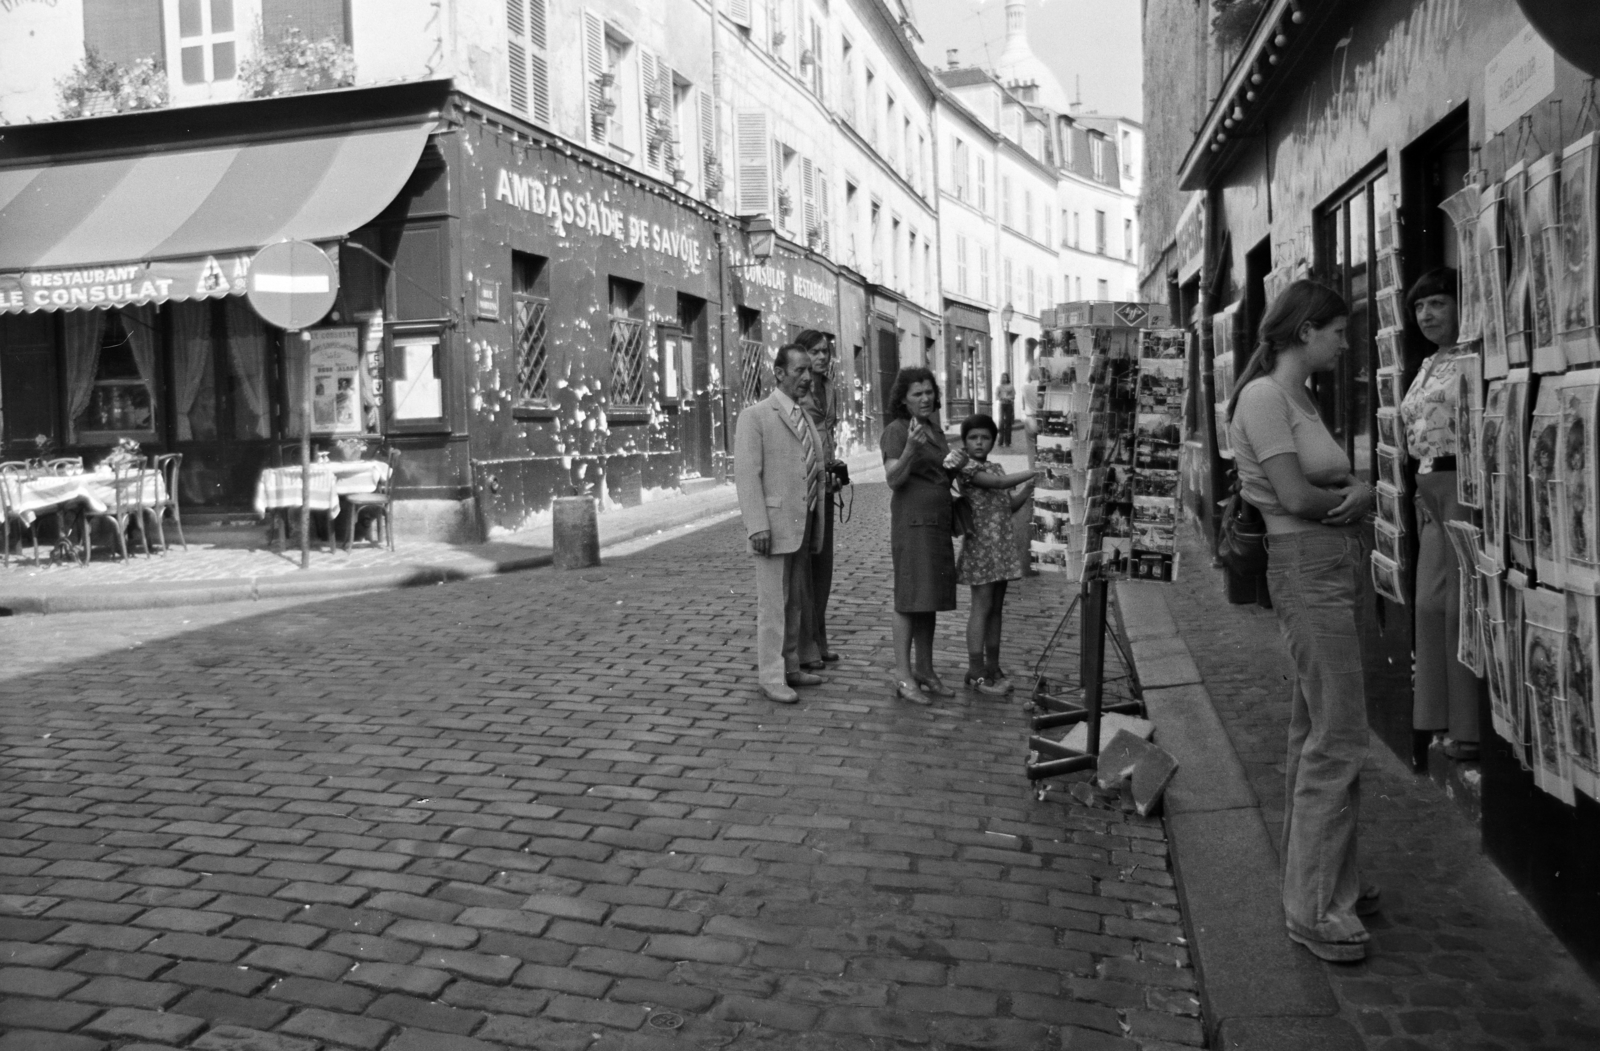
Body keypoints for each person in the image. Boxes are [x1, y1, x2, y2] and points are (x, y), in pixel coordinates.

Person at [1228, 279, 1378, 963]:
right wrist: (1356, 495)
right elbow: (1293, 494)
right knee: (1338, 733)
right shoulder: (1264, 396)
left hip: (1325, 563)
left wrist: (1352, 494)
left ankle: (1322, 880)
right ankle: (1314, 907)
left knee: (1316, 726)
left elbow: (1320, 486)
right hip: (1306, 564)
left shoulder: (1294, 395)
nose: (1345, 343)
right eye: (1339, 331)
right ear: (1305, 330)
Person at [1398, 267, 1481, 763]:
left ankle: (1469, 730)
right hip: (1428, 490)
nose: (1427, 315)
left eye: (1438, 303)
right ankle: (1438, 717)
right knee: (1429, 605)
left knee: (1458, 608)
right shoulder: (1429, 364)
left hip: (1461, 485)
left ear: (1460, 304)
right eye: (1419, 306)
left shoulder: (1473, 356)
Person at [735, 344, 829, 704]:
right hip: (771, 527)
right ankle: (770, 676)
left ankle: (790, 665)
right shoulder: (756, 416)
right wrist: (757, 525)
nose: (807, 378)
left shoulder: (802, 415)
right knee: (772, 605)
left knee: (795, 602)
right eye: (799, 371)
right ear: (778, 372)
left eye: (810, 371)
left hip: (800, 523)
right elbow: (746, 475)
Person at [881, 366, 958, 703]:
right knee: (910, 598)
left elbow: (940, 474)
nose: (925, 398)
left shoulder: (934, 429)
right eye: (917, 394)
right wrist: (911, 449)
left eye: (929, 392)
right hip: (913, 524)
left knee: (928, 599)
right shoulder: (897, 431)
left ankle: (924, 669)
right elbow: (893, 479)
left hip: (937, 523)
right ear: (903, 400)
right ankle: (903, 674)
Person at [948, 414, 1037, 694]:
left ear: (993, 440)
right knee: (982, 607)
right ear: (964, 442)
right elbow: (997, 486)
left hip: (1001, 547)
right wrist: (1033, 471)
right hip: (982, 549)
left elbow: (1008, 504)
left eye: (985, 437)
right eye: (973, 437)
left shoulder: (995, 467)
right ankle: (975, 670)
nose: (979, 442)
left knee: (996, 609)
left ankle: (992, 665)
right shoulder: (968, 469)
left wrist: (1029, 489)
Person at [798, 337, 842, 669]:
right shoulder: (799, 390)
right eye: (815, 352)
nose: (822, 357)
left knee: (823, 566)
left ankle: (820, 635)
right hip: (803, 482)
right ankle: (808, 641)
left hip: (827, 482)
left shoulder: (830, 387)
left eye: (825, 352)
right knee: (805, 566)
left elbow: (831, 432)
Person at [996, 373, 1017, 447]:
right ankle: (1000, 441)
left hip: (1009, 405)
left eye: (1005, 377)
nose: (1004, 379)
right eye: (1003, 377)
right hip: (1002, 404)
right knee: (1001, 422)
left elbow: (1013, 396)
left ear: (1008, 378)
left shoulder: (1011, 387)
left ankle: (1007, 441)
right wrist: (1001, 398)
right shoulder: (999, 387)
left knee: (1008, 423)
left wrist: (1009, 398)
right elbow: (996, 396)